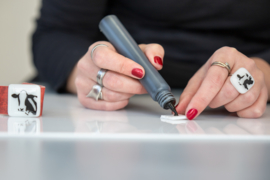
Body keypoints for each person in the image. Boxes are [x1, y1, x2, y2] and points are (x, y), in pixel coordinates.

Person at [32, 0, 270, 120]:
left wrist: (263, 72)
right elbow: (56, 33)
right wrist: (88, 72)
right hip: (120, 88)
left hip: (252, 88)